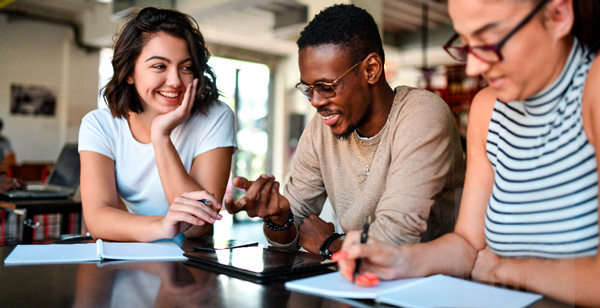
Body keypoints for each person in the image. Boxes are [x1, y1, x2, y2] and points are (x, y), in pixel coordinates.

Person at [334, 0, 600, 305]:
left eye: (488, 42)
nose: (473, 67)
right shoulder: (488, 110)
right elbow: (468, 246)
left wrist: (504, 269)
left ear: (558, 16)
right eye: (467, 45)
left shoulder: (593, 88)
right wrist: (396, 259)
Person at [225, 4, 465, 256]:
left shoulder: (421, 113)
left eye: (326, 86)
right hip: (356, 280)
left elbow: (394, 240)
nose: (315, 101)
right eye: (307, 89)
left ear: (371, 69)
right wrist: (279, 217)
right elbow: (288, 237)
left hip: (430, 287)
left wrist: (328, 243)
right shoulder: (322, 128)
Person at [78, 7, 237, 242]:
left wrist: (161, 136)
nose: (174, 81)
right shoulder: (99, 125)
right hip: (129, 252)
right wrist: (163, 227)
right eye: (159, 66)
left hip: (192, 261)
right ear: (129, 72)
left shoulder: (215, 116)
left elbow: (199, 225)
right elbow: (97, 217)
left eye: (186, 67)